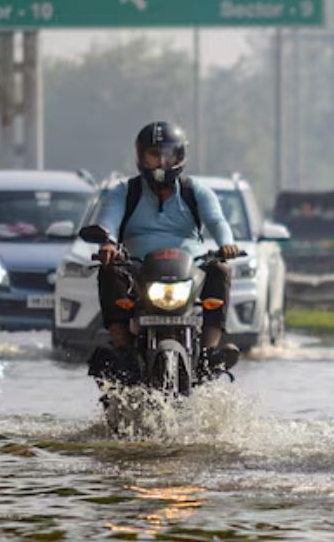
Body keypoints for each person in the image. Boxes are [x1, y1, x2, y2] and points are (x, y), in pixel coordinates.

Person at [88, 122, 244, 384]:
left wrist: (227, 244)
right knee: (108, 272)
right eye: (154, 154)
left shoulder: (196, 191)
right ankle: (124, 348)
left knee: (220, 270)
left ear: (180, 156)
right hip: (138, 269)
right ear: (141, 156)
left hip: (189, 269)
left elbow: (217, 221)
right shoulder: (125, 192)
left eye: (168, 154)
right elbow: (109, 221)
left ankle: (208, 352)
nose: (161, 161)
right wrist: (108, 244)